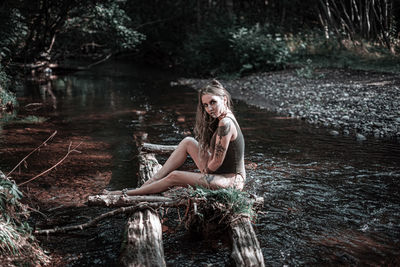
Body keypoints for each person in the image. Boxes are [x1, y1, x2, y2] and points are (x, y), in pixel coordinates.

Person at [105, 80, 245, 196]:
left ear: (224, 99)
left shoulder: (225, 123)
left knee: (175, 176)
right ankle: (152, 181)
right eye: (206, 105)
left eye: (213, 102)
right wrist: (201, 168)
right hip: (222, 175)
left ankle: (130, 194)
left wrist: (197, 174)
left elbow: (216, 164)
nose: (209, 109)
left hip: (230, 182)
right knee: (188, 142)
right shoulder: (225, 117)